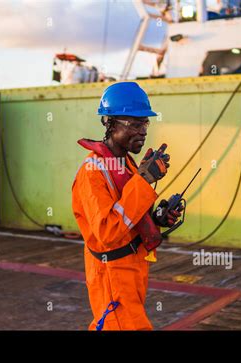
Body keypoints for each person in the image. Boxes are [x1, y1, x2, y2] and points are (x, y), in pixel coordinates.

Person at [71, 82, 183, 330]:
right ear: (109, 123)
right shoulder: (92, 172)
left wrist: (157, 219)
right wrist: (144, 182)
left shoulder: (127, 164)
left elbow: (127, 216)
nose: (142, 131)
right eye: (134, 124)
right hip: (112, 274)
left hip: (132, 268)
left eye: (145, 123)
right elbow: (108, 232)